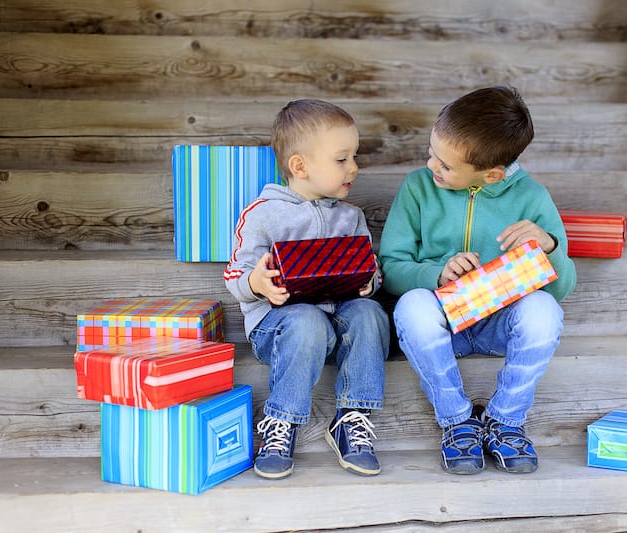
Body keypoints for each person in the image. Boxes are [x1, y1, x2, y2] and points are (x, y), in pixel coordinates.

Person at [378, 86, 576, 475]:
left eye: (446, 165)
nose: (433, 165)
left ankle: (505, 421)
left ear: (492, 174)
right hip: (442, 324)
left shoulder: (532, 198)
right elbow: (392, 267)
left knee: (543, 309)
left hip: (499, 324)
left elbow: (560, 288)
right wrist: (436, 272)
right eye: (432, 152)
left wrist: (548, 246)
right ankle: (457, 422)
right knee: (412, 306)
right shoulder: (418, 188)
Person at [224, 99, 390, 479]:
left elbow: (369, 269)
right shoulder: (263, 213)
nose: (354, 167)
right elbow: (236, 274)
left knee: (370, 312)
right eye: (341, 159)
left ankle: (352, 417)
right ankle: (281, 423)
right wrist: (257, 283)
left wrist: (369, 281)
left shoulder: (351, 217)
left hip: (338, 322)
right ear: (300, 166)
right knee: (306, 319)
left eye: (354, 157)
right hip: (280, 329)